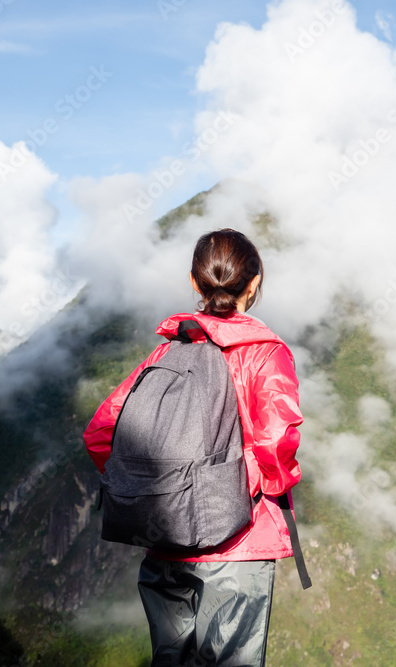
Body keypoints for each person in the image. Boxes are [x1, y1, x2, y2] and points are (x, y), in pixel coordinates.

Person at [82, 228, 305, 666]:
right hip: (238, 547)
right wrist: (241, 486)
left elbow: (100, 432)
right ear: (255, 283)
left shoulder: (165, 355)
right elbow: (276, 441)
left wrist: (154, 486)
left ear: (193, 281)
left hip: (164, 542)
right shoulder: (263, 353)